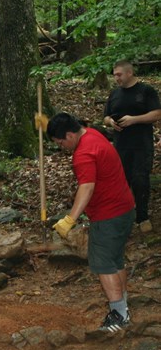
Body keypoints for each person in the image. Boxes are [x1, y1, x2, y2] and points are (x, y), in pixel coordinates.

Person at [47, 112, 135, 332]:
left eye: (60, 142)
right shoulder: (92, 134)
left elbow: (87, 187)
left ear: (69, 135)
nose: (61, 147)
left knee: (103, 263)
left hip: (109, 215)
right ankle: (123, 305)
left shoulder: (83, 154)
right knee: (115, 260)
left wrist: (70, 220)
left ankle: (119, 315)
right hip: (125, 208)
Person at [103, 60, 161, 233]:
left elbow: (157, 114)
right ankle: (122, 216)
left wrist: (134, 119)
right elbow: (105, 117)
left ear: (129, 73)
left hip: (141, 144)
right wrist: (111, 122)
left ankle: (142, 217)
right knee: (121, 181)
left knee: (140, 179)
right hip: (121, 145)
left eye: (119, 74)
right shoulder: (114, 94)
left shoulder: (146, 91)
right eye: (114, 75)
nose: (116, 78)